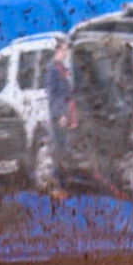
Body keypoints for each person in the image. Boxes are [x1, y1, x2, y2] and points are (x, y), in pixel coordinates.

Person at [44, 37, 76, 191]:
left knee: (65, 148)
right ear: (58, 50)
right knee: (58, 149)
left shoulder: (62, 68)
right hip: (59, 116)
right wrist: (59, 115)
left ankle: (63, 183)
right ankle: (57, 185)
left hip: (67, 113)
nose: (66, 53)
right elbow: (52, 94)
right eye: (64, 50)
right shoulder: (52, 68)